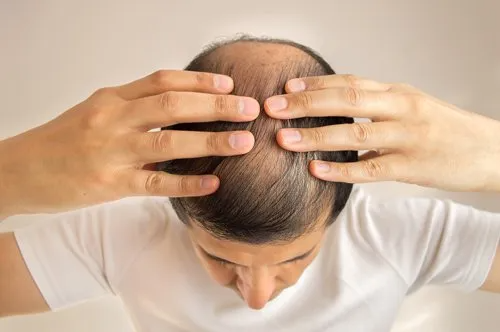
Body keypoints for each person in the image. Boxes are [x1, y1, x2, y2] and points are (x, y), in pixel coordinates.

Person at [0, 36, 499, 332]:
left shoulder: (401, 237)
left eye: (295, 258)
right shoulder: (119, 238)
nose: (257, 297)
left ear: (339, 213)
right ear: (177, 207)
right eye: (220, 258)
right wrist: (9, 174)